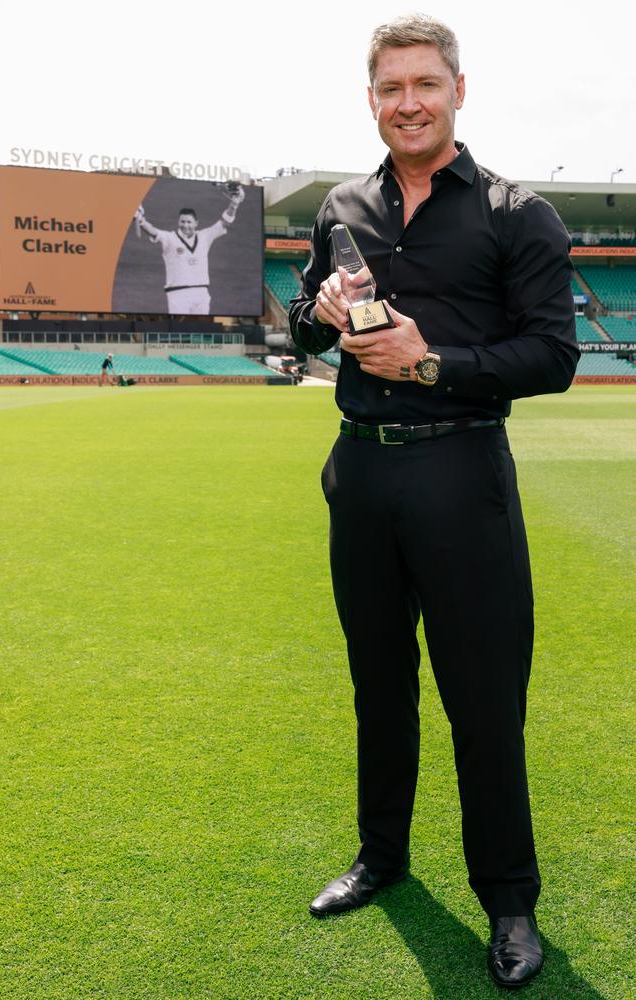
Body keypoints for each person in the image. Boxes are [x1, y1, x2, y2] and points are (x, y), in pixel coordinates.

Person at [289, 13, 579, 991]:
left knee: (481, 702)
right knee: (379, 685)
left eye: (423, 84)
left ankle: (508, 902)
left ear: (457, 90)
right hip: (360, 474)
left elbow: (552, 356)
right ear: (369, 98)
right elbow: (300, 324)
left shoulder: (514, 212)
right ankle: (380, 857)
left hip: (461, 473)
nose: (405, 102)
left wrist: (432, 360)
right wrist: (321, 317)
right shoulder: (338, 206)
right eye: (388, 87)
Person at [134, 186, 245, 315]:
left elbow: (225, 222)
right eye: (182, 221)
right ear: (178, 222)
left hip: (202, 292)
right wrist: (141, 220)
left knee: (202, 330)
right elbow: (153, 231)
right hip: (178, 293)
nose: (185, 225)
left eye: (189, 222)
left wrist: (234, 204)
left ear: (196, 223)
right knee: (181, 330)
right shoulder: (170, 238)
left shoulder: (205, 236)